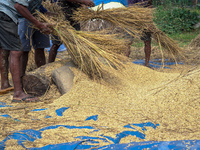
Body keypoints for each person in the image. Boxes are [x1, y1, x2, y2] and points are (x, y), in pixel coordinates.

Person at [0, 0, 52, 102]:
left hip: (3, 13)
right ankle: (18, 93)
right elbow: (19, 6)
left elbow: (32, 6)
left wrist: (43, 14)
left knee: (3, 49)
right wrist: (39, 24)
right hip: (5, 14)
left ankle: (4, 85)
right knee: (16, 51)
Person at [19, 4, 56, 78]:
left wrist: (45, 12)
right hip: (23, 16)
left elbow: (37, 3)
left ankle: (42, 75)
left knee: (40, 46)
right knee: (24, 49)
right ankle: (20, 78)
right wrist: (38, 23)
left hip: (38, 16)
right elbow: (19, 6)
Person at [127, 0, 153, 68]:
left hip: (144, 19)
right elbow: (131, 8)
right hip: (132, 19)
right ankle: (125, 63)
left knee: (147, 41)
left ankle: (147, 64)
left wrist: (149, 20)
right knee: (128, 42)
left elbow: (150, 5)